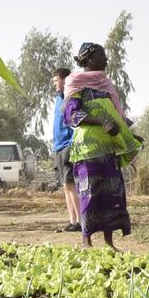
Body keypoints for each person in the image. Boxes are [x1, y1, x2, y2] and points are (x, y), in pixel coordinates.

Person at [62, 42, 140, 248]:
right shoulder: (76, 84)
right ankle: (86, 241)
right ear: (87, 60)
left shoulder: (106, 86)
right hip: (87, 151)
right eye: (101, 56)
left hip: (109, 149)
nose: (106, 59)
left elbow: (116, 115)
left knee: (111, 194)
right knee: (90, 194)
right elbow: (71, 114)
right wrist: (101, 122)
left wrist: (130, 134)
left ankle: (108, 242)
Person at [50, 68, 81, 233]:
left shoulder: (71, 98)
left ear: (65, 80)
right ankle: (72, 221)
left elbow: (75, 123)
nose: (55, 83)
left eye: (56, 80)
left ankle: (80, 222)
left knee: (71, 184)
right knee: (65, 185)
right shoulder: (58, 99)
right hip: (58, 146)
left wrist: (71, 143)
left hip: (68, 146)